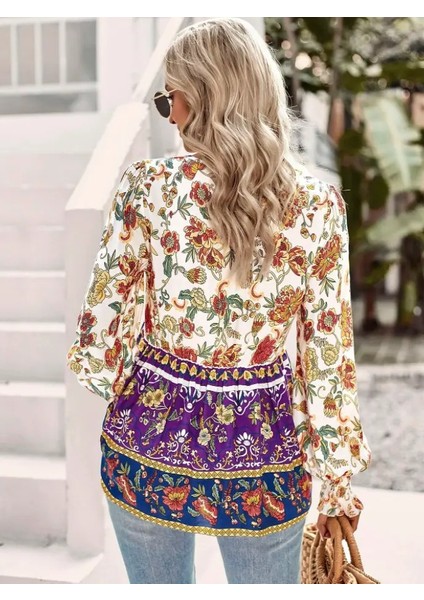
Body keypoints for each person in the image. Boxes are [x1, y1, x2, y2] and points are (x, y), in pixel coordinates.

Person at [67, 17, 371, 584]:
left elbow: (99, 342)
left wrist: (133, 369)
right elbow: (328, 360)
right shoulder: (319, 204)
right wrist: (336, 481)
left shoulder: (147, 188)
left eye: (170, 99)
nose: (170, 115)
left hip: (147, 440)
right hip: (265, 456)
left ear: (201, 98)